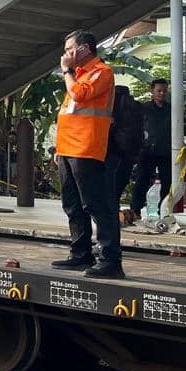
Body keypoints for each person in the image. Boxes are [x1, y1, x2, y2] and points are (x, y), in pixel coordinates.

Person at [52, 30, 122, 279]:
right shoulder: (79, 74)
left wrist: (67, 72)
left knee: (95, 204)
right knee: (71, 204)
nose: (66, 54)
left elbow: (79, 95)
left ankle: (110, 259)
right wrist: (58, 149)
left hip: (86, 148)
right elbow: (68, 114)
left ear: (84, 49)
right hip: (68, 148)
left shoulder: (101, 72)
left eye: (69, 48)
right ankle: (81, 253)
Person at [131, 78, 172, 216]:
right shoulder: (144, 109)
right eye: (159, 91)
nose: (162, 93)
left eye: (164, 91)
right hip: (147, 151)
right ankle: (135, 210)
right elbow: (136, 128)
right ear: (152, 92)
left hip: (166, 151)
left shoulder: (172, 109)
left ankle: (163, 210)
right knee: (142, 180)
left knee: (167, 183)